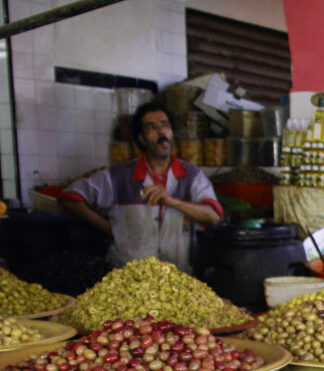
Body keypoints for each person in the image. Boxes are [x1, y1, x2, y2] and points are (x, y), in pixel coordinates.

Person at [60, 101, 222, 272]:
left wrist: (172, 201)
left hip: (177, 278)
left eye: (165, 125)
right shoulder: (117, 176)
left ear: (172, 132)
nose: (161, 132)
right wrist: (110, 228)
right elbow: (70, 197)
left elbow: (213, 216)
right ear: (141, 139)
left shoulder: (192, 175)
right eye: (151, 127)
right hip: (127, 277)